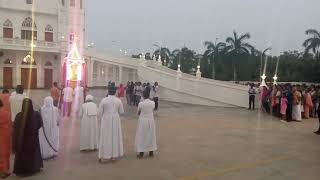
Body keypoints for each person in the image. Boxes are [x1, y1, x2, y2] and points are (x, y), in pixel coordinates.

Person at [13, 99, 43, 177]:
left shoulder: (18, 116)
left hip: (21, 141)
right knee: (33, 153)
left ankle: (21, 170)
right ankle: (32, 168)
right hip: (32, 140)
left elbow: (15, 128)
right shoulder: (36, 115)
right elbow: (40, 124)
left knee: (21, 154)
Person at [98, 86, 124, 162]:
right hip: (116, 119)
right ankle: (114, 155)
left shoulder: (104, 100)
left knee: (106, 136)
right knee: (115, 136)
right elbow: (121, 111)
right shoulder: (118, 100)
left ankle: (105, 155)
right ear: (115, 92)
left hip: (106, 119)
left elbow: (99, 113)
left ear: (108, 91)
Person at [135, 90, 157, 158]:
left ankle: (141, 153)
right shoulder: (153, 103)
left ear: (143, 96)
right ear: (149, 95)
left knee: (142, 136)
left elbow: (138, 113)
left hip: (143, 121)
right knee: (151, 135)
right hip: (151, 120)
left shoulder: (141, 104)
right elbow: (152, 109)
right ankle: (151, 152)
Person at [0, 99, 11, 178]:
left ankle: (2, 171)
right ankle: (4, 171)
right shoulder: (7, 113)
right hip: (5, 136)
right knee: (5, 153)